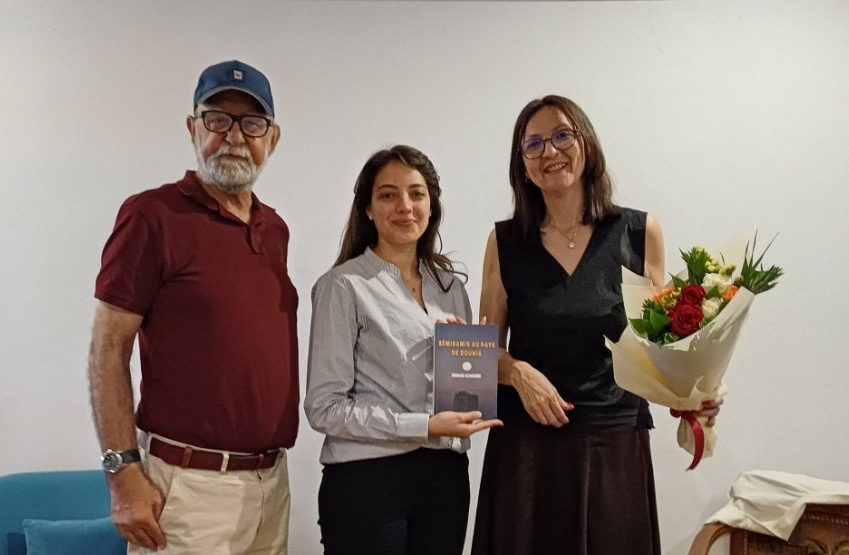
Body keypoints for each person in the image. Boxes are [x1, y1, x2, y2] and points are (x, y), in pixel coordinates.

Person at [470, 95, 722, 555]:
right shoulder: (504, 242)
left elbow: (660, 347)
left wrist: (693, 396)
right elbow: (478, 353)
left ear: (587, 144)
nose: (550, 152)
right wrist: (517, 373)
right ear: (522, 165)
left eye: (562, 135)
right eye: (534, 144)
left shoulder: (639, 232)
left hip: (613, 444)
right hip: (527, 453)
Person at [87, 60, 297, 555]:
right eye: (217, 119)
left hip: (270, 486)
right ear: (192, 127)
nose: (234, 137)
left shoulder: (275, 230)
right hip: (186, 489)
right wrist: (122, 473)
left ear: (273, 137)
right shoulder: (152, 215)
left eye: (252, 123)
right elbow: (106, 350)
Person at [304, 145, 503, 555]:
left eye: (416, 193)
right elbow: (324, 408)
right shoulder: (343, 286)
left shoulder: (452, 288)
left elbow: (463, 397)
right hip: (366, 482)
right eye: (387, 195)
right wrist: (423, 426)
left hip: (446, 478)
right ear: (368, 209)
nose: (404, 206)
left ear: (432, 205)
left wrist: (469, 364)